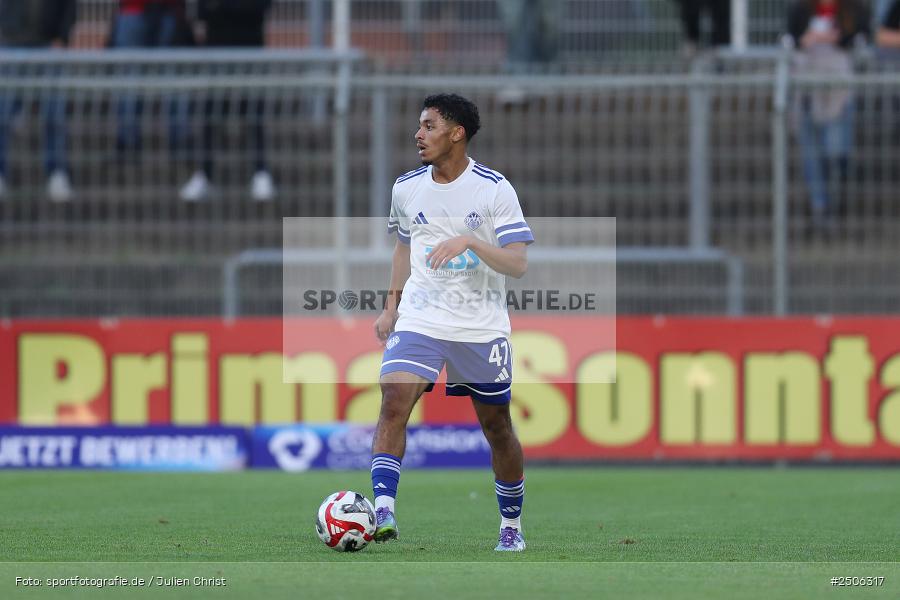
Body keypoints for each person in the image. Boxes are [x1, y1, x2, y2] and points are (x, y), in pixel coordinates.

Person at [371, 94, 534, 552]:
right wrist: (391, 307)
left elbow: (518, 264)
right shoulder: (406, 187)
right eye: (418, 126)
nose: (417, 135)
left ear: (456, 132)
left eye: (428, 126)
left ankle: (511, 525)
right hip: (422, 315)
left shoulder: (494, 189)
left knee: (496, 426)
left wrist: (471, 243)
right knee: (394, 395)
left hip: (480, 326)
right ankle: (383, 510)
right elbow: (404, 248)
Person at [178, 0, 275, 202]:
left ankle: (260, 173)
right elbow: (201, 11)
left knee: (253, 117)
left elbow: (258, 9)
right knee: (210, 118)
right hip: (217, 59)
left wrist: (222, 7)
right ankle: (205, 175)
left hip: (250, 58)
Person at [788, 0, 870, 229]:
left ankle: (834, 203)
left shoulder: (853, 9)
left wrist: (837, 39)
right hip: (808, 91)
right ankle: (819, 207)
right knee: (811, 153)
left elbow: (861, 38)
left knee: (836, 151)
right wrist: (808, 40)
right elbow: (790, 40)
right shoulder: (800, 9)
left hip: (839, 92)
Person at [0, 0, 76, 201]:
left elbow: (69, 6)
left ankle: (57, 172)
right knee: (3, 113)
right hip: (11, 42)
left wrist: (62, 36)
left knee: (54, 114)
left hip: (48, 43)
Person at [109, 0, 194, 156]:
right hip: (146, 11)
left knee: (133, 79)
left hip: (156, 12)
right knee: (167, 78)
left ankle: (130, 142)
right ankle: (178, 142)